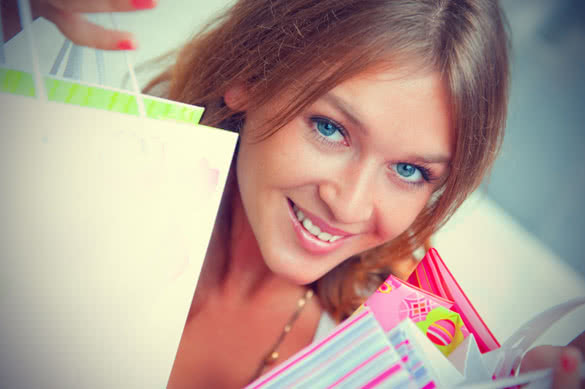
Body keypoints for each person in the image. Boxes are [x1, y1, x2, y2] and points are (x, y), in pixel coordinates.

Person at [4, 0, 584, 388]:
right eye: (330, 128)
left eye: (410, 171)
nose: (350, 205)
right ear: (251, 77)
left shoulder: (401, 351)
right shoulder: (57, 175)